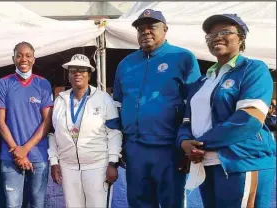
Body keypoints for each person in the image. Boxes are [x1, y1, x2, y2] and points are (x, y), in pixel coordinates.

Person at [178, 14, 276, 208]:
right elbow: (186, 121)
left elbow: (248, 120)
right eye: (210, 35)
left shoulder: (253, 69)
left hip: (242, 162)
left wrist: (201, 144)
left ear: (241, 38)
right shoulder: (203, 81)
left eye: (225, 32)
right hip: (207, 165)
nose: (216, 37)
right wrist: (184, 142)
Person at [112, 9, 201, 208]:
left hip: (169, 148)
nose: (145, 32)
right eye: (140, 29)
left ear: (165, 29)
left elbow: (194, 105)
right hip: (135, 149)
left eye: (151, 27)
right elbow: (117, 105)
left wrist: (185, 145)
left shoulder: (183, 57)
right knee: (138, 202)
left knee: (172, 203)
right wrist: (120, 147)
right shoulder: (126, 64)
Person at [48, 54, 122, 208]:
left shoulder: (103, 98)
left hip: (97, 166)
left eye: (82, 70)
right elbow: (53, 133)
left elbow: (114, 133)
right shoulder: (60, 100)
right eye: (73, 70)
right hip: (68, 167)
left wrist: (113, 163)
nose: (77, 73)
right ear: (68, 75)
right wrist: (54, 162)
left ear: (89, 74)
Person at [0, 42, 53, 208]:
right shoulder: (4, 83)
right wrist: (17, 151)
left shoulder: (43, 84)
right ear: (13, 58)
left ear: (34, 59)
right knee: (13, 205)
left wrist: (25, 149)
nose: (23, 59)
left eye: (27, 55)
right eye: (19, 55)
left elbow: (47, 121)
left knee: (38, 204)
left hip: (38, 155)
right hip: (10, 155)